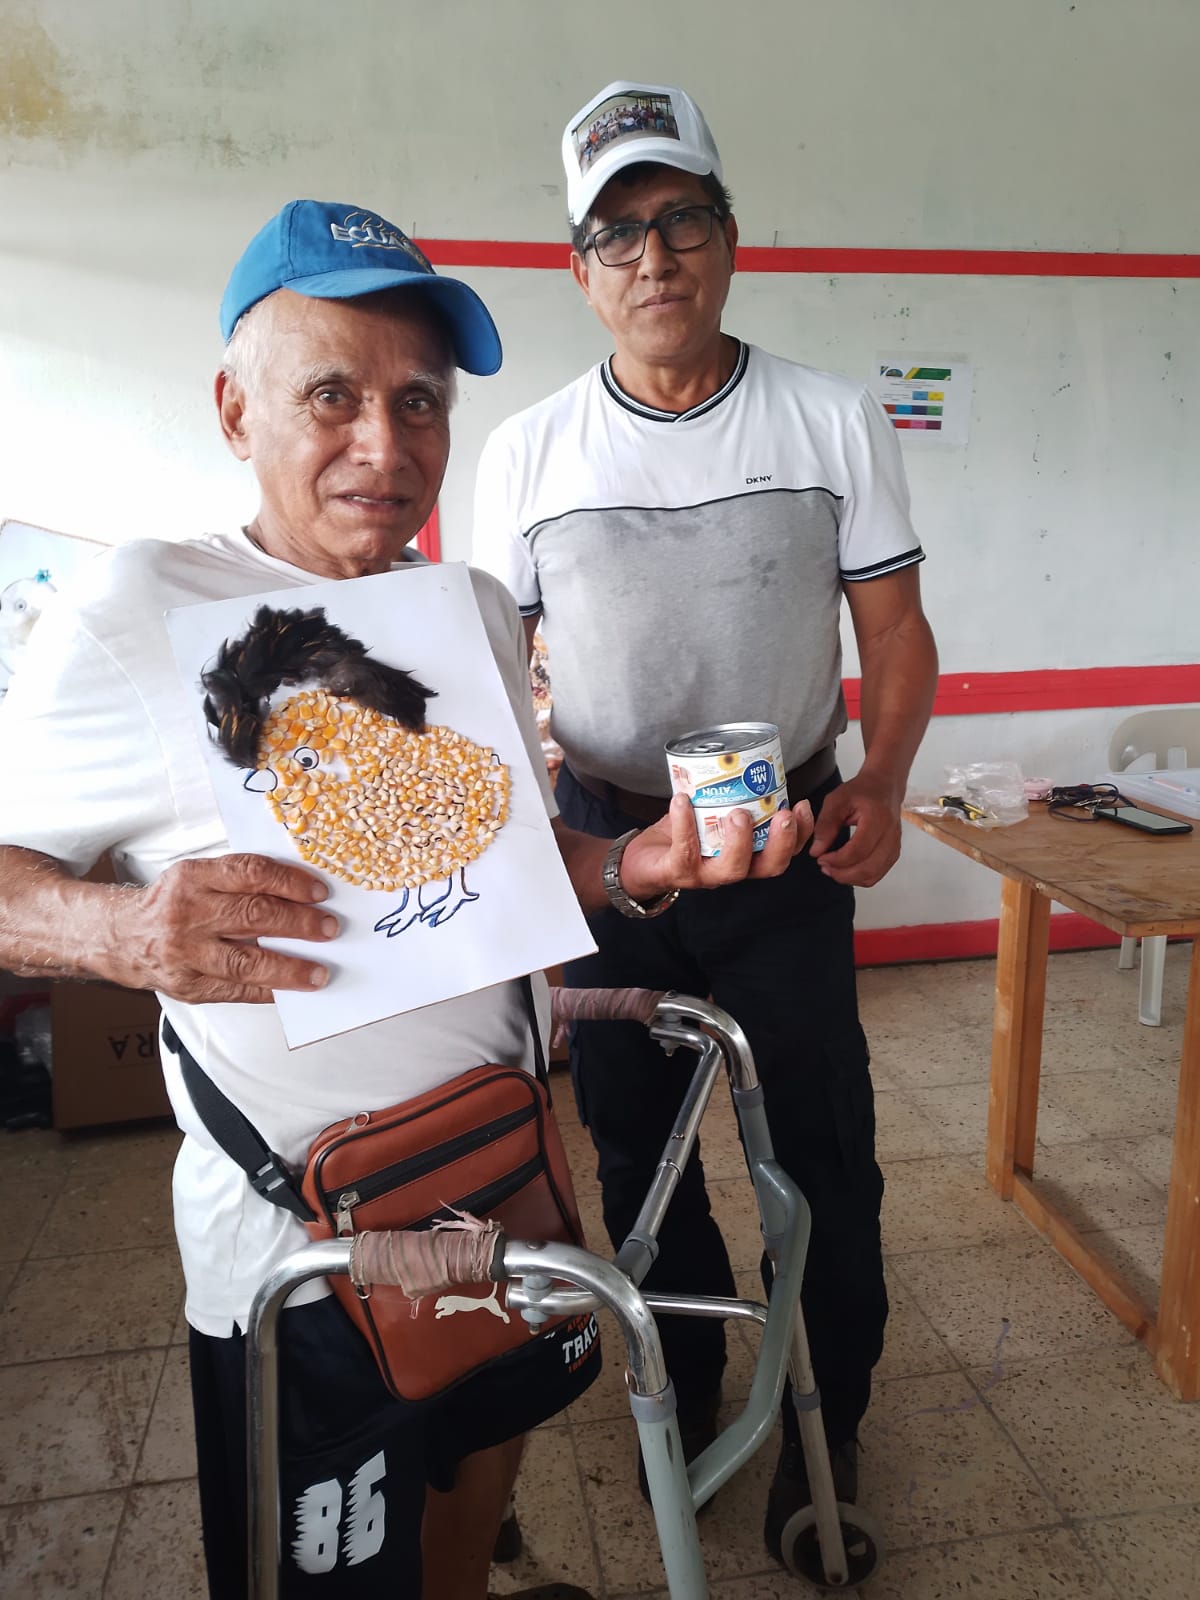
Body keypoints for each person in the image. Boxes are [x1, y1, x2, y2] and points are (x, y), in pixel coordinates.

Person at [0, 200, 810, 1600]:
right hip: (303, 1247)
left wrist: (639, 865)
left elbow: (508, 867)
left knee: (471, 1494)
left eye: (419, 401)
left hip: (497, 1189)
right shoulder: (137, 611)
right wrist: (117, 933)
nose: (385, 445)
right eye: (332, 395)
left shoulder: (470, 608)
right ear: (234, 408)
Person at [472, 80, 939, 1563]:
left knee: (824, 1149)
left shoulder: (828, 417)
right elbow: (489, 677)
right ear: (580, 272)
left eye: (681, 220)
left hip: (791, 853)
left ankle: (829, 1423)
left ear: (730, 240)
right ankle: (678, 1383)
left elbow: (897, 634)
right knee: (636, 1149)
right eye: (617, 234)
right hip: (611, 861)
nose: (654, 257)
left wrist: (880, 782)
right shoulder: (528, 453)